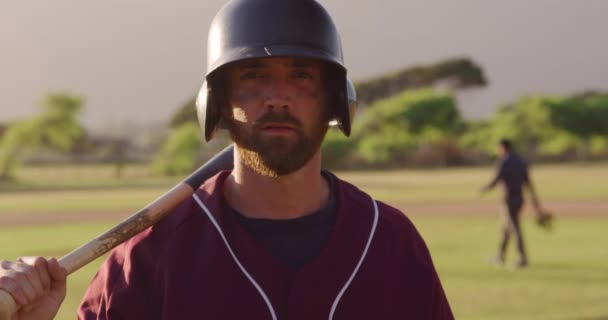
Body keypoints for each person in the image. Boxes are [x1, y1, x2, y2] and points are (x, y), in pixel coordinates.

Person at [0, 0, 454, 318]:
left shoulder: (392, 243)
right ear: (217, 103)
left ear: (336, 101)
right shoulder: (148, 259)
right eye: (254, 76)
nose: (278, 97)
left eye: (301, 76)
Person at [481, 138, 550, 268]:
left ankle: (522, 258)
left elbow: (496, 180)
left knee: (514, 227)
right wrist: (535, 202)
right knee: (506, 228)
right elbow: (528, 183)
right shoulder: (521, 161)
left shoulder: (505, 162)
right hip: (519, 199)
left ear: (503, 148)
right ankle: (500, 256)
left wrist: (485, 188)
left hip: (508, 199)